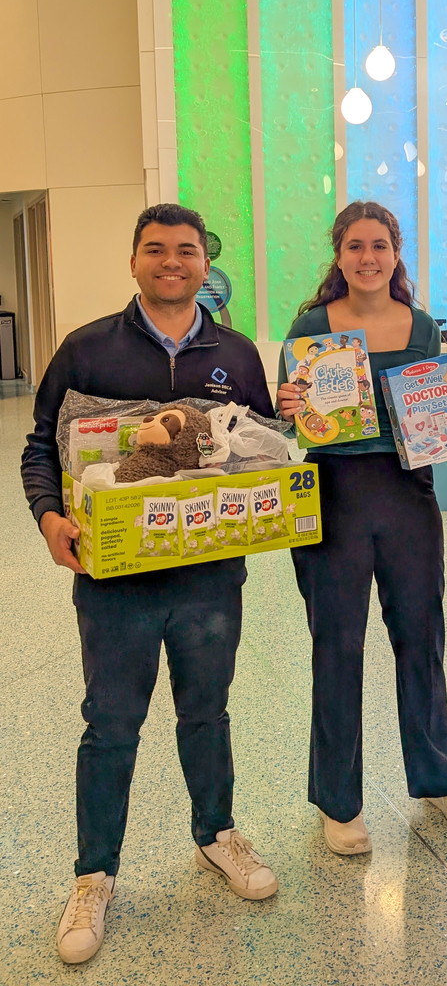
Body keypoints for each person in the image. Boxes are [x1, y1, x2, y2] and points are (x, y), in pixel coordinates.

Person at [20, 204, 279, 965]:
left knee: (207, 711)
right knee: (110, 725)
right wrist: (49, 518)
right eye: (156, 249)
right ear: (133, 260)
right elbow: (40, 447)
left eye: (186, 251)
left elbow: (263, 446)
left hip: (209, 576)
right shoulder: (86, 348)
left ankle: (216, 834)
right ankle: (94, 876)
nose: (172, 262)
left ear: (206, 264)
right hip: (115, 582)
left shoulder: (236, 352)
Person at [276, 201, 447, 856]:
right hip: (333, 496)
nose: (367, 257)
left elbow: (438, 423)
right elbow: (290, 422)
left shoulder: (422, 326)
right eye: (355, 246)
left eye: (379, 245)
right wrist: (287, 406)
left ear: (395, 253)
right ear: (338, 255)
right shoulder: (311, 327)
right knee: (336, 646)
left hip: (406, 495)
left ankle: (439, 779)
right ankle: (338, 802)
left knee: (421, 638)